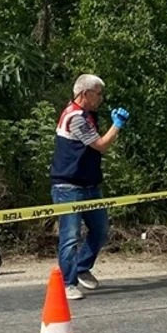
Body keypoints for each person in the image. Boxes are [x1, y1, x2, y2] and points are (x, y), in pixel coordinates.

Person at [51, 74, 130, 300]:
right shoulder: (75, 117)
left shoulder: (86, 114)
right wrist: (117, 126)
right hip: (68, 186)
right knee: (70, 237)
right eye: (98, 94)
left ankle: (82, 266)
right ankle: (68, 283)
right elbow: (101, 145)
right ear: (85, 94)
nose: (101, 98)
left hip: (89, 185)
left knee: (100, 229)